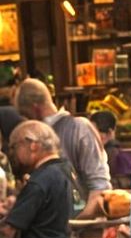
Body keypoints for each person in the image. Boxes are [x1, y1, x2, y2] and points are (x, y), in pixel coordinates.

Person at [14, 78, 109, 219]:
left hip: (84, 229)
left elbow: (99, 186)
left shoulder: (78, 128)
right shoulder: (39, 137)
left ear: (35, 108)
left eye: (27, 115)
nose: (27, 121)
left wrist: (77, 221)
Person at [1, 122, 73, 238]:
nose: (12, 154)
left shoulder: (39, 181)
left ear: (32, 145)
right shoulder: (68, 169)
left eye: (14, 147)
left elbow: (7, 230)